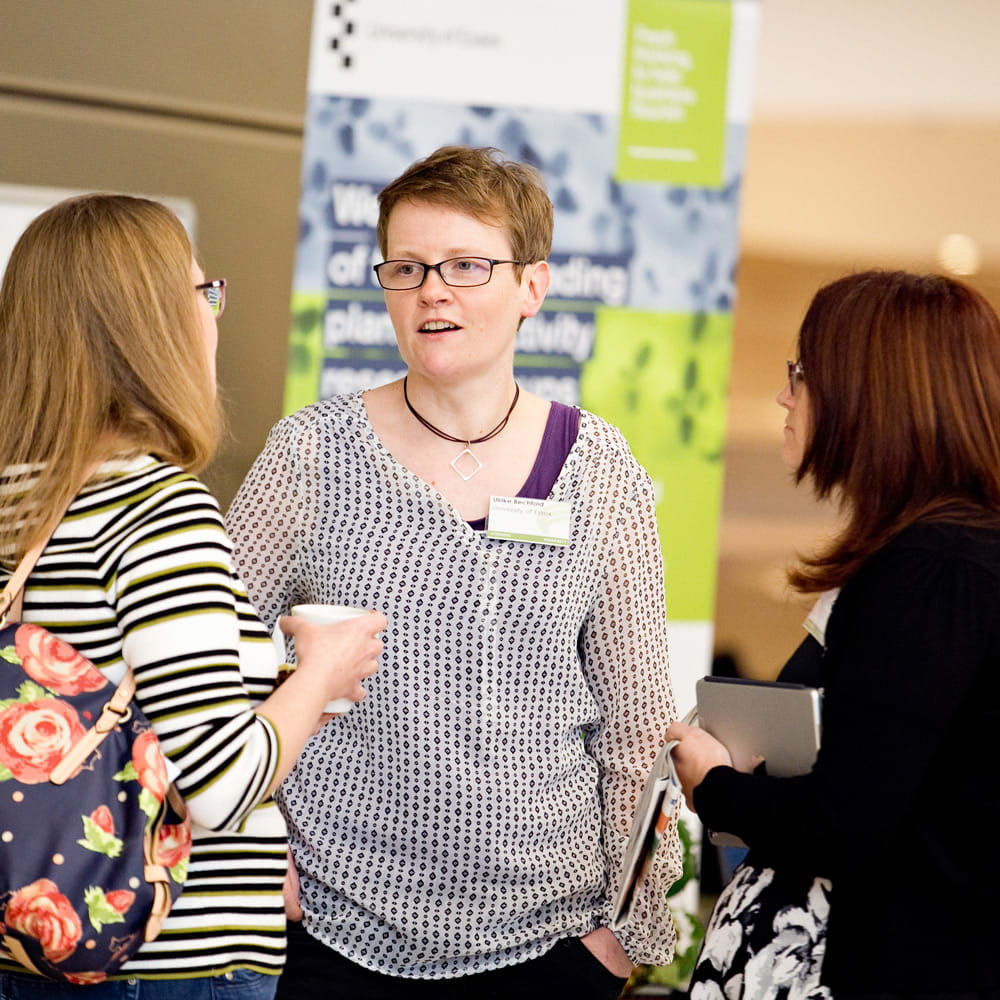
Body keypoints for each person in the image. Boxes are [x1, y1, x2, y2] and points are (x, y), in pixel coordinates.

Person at [225, 144, 681, 998]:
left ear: (531, 288)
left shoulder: (599, 467)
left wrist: (628, 932)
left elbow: (638, 728)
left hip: (551, 944)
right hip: (331, 933)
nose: (433, 290)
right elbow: (207, 668)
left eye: (466, 266)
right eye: (408, 267)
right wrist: (253, 853)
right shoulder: (313, 452)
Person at [0, 193, 386, 999]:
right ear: (151, 327)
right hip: (163, 964)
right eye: (203, 293)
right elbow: (217, 784)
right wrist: (321, 673)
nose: (213, 316)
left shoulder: (17, 504)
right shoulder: (159, 509)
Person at [667, 269, 1000, 999]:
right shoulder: (940, 560)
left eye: (802, 372)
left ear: (868, 391)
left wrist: (715, 785)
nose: (786, 395)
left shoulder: (933, 569)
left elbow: (850, 819)